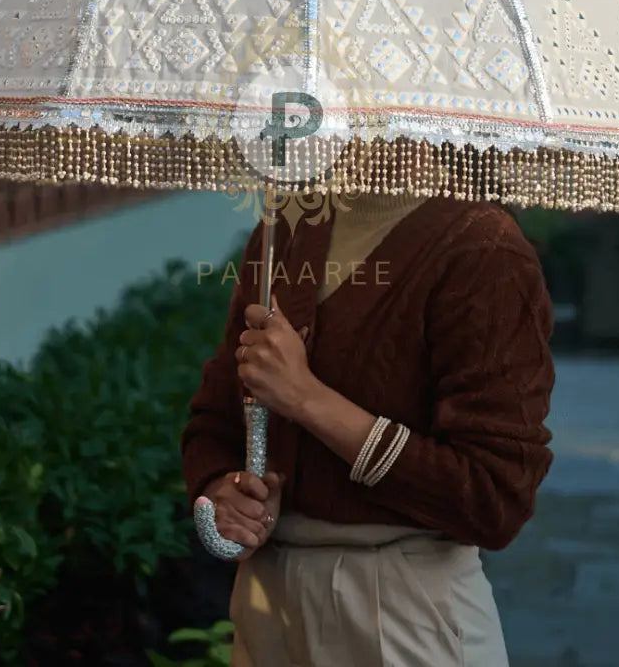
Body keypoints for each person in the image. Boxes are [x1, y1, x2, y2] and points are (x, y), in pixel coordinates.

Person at [181, 178, 555, 667]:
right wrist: (226, 491)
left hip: (400, 610)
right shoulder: (289, 224)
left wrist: (308, 399)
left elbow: (494, 496)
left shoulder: (485, 250)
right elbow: (214, 420)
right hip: (267, 605)